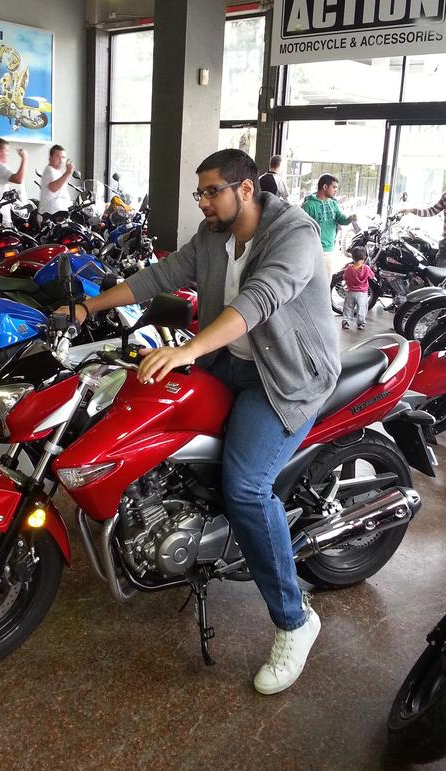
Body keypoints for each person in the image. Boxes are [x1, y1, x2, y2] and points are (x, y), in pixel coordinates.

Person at [60, 148, 341, 695]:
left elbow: (260, 300)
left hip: (284, 377)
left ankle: (294, 620)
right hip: (227, 359)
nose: (203, 202)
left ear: (246, 188)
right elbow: (161, 275)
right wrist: (88, 309)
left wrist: (188, 351)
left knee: (247, 488)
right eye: (200, 193)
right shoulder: (215, 234)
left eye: (212, 192)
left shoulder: (295, 233)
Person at [301, 175, 357, 279]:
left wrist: (350, 218)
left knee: (326, 282)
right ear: (325, 187)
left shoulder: (333, 204)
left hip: (329, 250)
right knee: (309, 282)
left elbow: (341, 219)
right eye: (334, 187)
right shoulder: (308, 205)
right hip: (312, 250)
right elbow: (301, 229)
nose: (336, 190)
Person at [342, 246, 374, 331]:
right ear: (364, 257)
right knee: (362, 309)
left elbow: (345, 277)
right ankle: (360, 323)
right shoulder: (366, 268)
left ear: (352, 257)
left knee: (348, 308)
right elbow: (372, 276)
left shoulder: (349, 268)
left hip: (351, 292)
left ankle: (346, 322)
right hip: (362, 293)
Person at [40, 144, 74, 215]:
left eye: (63, 157)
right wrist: (67, 173)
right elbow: (53, 188)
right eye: (58, 156)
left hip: (60, 213)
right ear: (50, 157)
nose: (61, 160)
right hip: (51, 215)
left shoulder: (57, 172)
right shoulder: (49, 170)